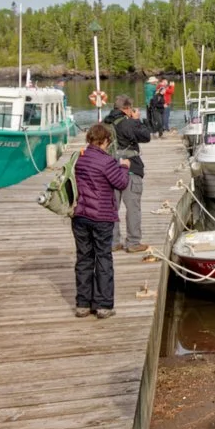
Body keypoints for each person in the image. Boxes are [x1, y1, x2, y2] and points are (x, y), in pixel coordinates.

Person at [71, 123, 130, 318]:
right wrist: (124, 167)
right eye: (107, 142)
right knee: (103, 258)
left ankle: (83, 304)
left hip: (80, 215)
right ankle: (104, 305)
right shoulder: (107, 162)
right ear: (105, 141)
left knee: (84, 258)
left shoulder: (79, 158)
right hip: (101, 216)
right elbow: (120, 183)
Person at [104, 94, 151, 254]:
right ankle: (133, 242)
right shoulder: (129, 123)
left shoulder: (105, 124)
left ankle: (113, 242)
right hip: (130, 169)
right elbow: (146, 136)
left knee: (111, 208)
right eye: (131, 108)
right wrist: (137, 120)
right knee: (133, 208)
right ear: (126, 108)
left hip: (110, 169)